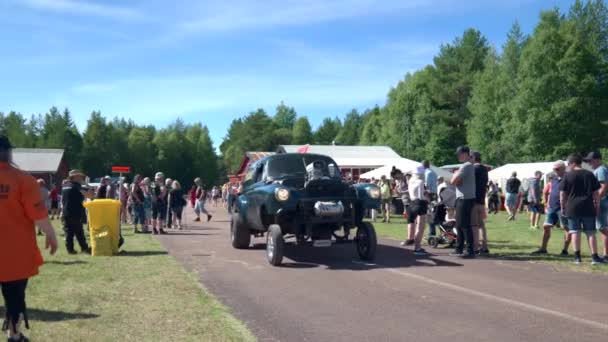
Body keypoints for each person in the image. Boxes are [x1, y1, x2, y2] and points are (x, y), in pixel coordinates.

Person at [0, 135, 58, 342]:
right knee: (14, 298)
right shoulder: (23, 180)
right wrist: (51, 234)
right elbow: (39, 214)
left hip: (13, 252)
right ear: (9, 153)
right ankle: (13, 335)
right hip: (14, 253)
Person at [560, 153, 604, 265]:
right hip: (588, 207)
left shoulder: (567, 176)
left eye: (569, 164)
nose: (568, 166)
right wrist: (597, 206)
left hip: (572, 207)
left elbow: (562, 194)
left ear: (573, 163)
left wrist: (562, 207)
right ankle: (594, 257)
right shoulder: (590, 175)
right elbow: (596, 194)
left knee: (575, 232)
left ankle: (577, 258)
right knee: (591, 233)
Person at [531, 161, 571, 256]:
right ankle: (543, 248)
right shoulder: (555, 179)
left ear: (563, 168)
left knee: (566, 228)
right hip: (552, 207)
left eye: (557, 169)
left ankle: (565, 250)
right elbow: (550, 192)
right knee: (546, 226)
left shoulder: (569, 178)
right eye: (554, 169)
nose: (555, 171)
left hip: (564, 207)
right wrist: (547, 203)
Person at [450, 146, 476, 258]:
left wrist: (455, 179)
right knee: (459, 225)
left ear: (465, 154)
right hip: (463, 198)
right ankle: (459, 248)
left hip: (464, 199)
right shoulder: (467, 166)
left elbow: (453, 181)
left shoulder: (466, 166)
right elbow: (457, 181)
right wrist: (456, 180)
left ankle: (470, 251)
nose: (458, 156)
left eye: (459, 154)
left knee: (464, 225)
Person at [585, 151, 608, 261]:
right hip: (601, 201)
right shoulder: (598, 170)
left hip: (602, 202)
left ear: (598, 159)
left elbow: (604, 186)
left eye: (591, 160)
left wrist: (596, 200)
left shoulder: (601, 170)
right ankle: (605, 254)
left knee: (603, 228)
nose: (589, 163)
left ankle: (606, 255)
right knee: (602, 228)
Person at [61, 169, 91, 255]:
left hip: (66, 211)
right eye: (79, 176)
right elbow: (89, 195)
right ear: (75, 177)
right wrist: (86, 184)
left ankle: (70, 249)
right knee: (79, 231)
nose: (81, 178)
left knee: (69, 232)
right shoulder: (77, 186)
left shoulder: (65, 186)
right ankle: (84, 248)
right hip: (75, 211)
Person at [407, 166, 429, 256]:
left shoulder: (410, 181)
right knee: (421, 227)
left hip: (412, 203)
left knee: (415, 224)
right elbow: (421, 196)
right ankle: (417, 247)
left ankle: (415, 245)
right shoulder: (420, 182)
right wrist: (428, 199)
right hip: (420, 203)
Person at [471, 151, 489, 255]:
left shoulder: (474, 169)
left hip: (473, 199)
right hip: (482, 199)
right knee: (481, 224)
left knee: (474, 224)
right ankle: (484, 246)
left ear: (473, 158)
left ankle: (475, 247)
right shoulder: (484, 169)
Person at [422, 161, 438, 237]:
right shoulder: (434, 172)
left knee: (429, 214)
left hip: (429, 195)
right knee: (434, 213)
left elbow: (427, 186)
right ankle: (433, 232)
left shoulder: (427, 173)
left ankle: (431, 233)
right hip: (435, 194)